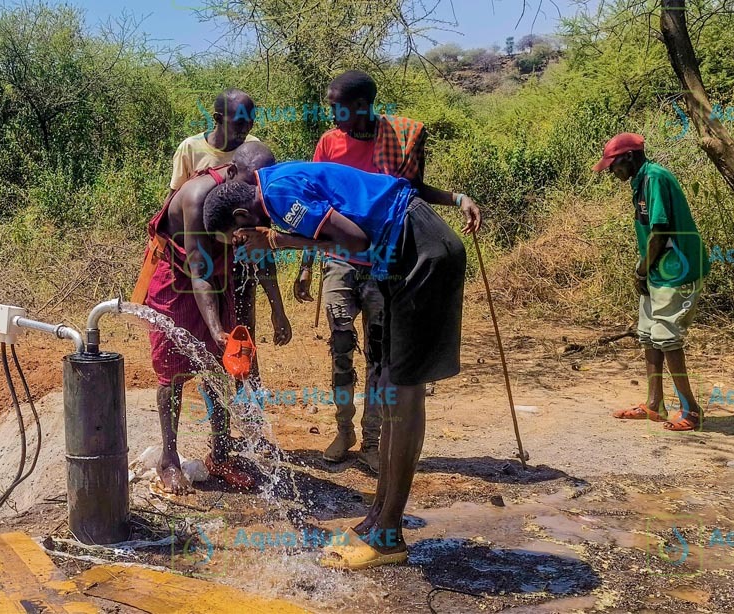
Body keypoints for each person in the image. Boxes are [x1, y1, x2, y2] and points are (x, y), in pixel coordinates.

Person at [202, 161, 467, 569]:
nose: (241, 246)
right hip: (404, 253)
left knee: (404, 391)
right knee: (392, 388)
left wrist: (278, 242)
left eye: (237, 237)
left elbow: (356, 242)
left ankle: (387, 536)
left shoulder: (278, 196)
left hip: (421, 252)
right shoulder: (276, 183)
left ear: (243, 217)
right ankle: (378, 519)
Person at [292, 70, 482, 472]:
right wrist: (307, 266)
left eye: (337, 105)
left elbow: (412, 193)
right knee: (341, 348)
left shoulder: (396, 140)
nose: (331, 113)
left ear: (362, 106)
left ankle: (373, 440)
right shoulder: (329, 142)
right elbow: (313, 203)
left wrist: (458, 198)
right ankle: (344, 431)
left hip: (385, 262)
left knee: (380, 357)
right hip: (340, 261)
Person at [144, 142, 291, 495]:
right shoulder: (196, 198)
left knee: (218, 367)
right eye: (251, 184)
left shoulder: (254, 199)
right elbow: (198, 269)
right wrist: (215, 327)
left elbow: (260, 252)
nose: (257, 193)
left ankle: (221, 453)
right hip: (178, 283)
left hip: (218, 282)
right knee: (173, 371)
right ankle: (169, 459)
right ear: (231, 173)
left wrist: (278, 308)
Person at [158, 89, 279, 379]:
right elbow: (177, 202)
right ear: (217, 119)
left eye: (250, 123)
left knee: (241, 336)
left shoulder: (253, 149)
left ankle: (245, 402)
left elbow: (261, 214)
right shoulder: (191, 150)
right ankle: (214, 395)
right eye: (238, 123)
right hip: (197, 250)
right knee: (192, 342)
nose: (245, 130)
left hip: (237, 257)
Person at [593, 133, 709, 431]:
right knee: (648, 336)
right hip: (658, 268)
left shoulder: (654, 177)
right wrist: (644, 268)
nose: (611, 171)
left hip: (676, 269)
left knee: (668, 338)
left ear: (629, 157)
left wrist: (642, 270)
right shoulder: (640, 180)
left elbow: (659, 231)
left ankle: (691, 411)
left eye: (613, 165)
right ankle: (654, 404)